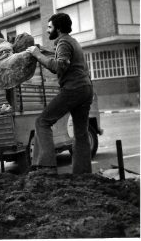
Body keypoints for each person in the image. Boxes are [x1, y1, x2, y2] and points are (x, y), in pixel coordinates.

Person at [26, 13, 93, 175]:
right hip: (86, 89)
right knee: (81, 133)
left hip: (73, 89)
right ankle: (83, 174)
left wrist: (36, 54)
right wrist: (42, 50)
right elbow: (60, 56)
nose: (47, 30)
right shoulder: (71, 41)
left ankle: (46, 167)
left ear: (59, 28)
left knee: (42, 122)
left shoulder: (63, 43)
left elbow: (59, 66)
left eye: (50, 27)